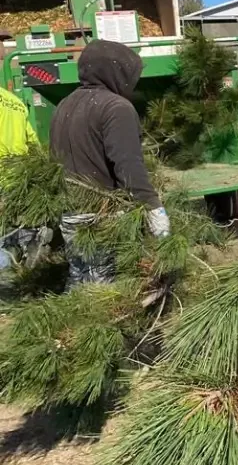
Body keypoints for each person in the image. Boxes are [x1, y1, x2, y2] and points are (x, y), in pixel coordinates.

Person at [50, 40, 170, 287]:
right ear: (116, 73)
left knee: (81, 279)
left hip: (70, 212)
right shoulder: (116, 108)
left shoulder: (64, 105)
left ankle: (77, 322)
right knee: (109, 289)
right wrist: (153, 207)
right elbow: (128, 165)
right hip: (103, 215)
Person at [0, 85, 48, 272]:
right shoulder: (16, 102)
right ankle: (25, 266)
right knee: (14, 226)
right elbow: (32, 142)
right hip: (18, 176)